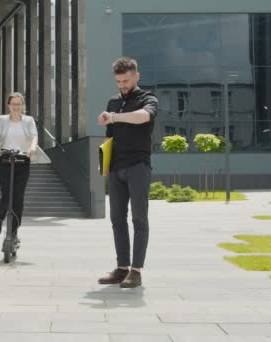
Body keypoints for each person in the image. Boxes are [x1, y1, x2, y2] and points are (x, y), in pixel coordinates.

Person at [96, 57, 158, 288]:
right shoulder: (113, 102)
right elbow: (109, 136)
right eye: (118, 81)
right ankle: (122, 268)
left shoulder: (147, 99)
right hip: (116, 168)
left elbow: (144, 116)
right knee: (116, 219)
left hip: (138, 166)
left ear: (136, 77)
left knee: (139, 219)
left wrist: (114, 117)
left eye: (126, 80)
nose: (122, 85)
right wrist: (104, 164)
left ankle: (136, 270)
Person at [0, 92, 38, 243]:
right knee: (6, 194)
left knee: (18, 197)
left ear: (22, 106)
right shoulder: (2, 120)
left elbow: (34, 136)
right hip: (5, 160)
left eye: (19, 104)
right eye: (13, 104)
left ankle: (14, 233)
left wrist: (32, 148)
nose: (16, 107)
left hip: (23, 161)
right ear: (9, 106)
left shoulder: (29, 120)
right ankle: (0, 218)